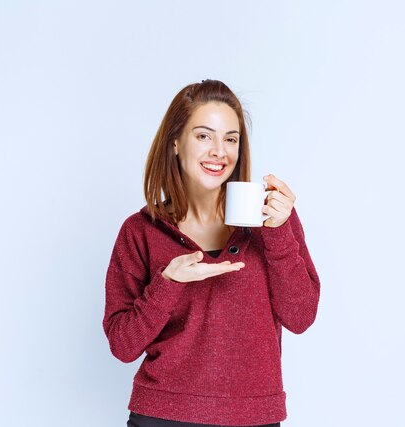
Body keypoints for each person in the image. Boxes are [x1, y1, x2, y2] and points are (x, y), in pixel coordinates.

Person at [103, 79, 320, 427]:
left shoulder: (273, 218)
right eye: (204, 136)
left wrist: (277, 233)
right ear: (175, 142)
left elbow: (301, 316)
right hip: (162, 415)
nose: (219, 150)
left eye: (230, 139)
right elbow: (122, 344)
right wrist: (168, 282)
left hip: (254, 418)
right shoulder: (141, 230)